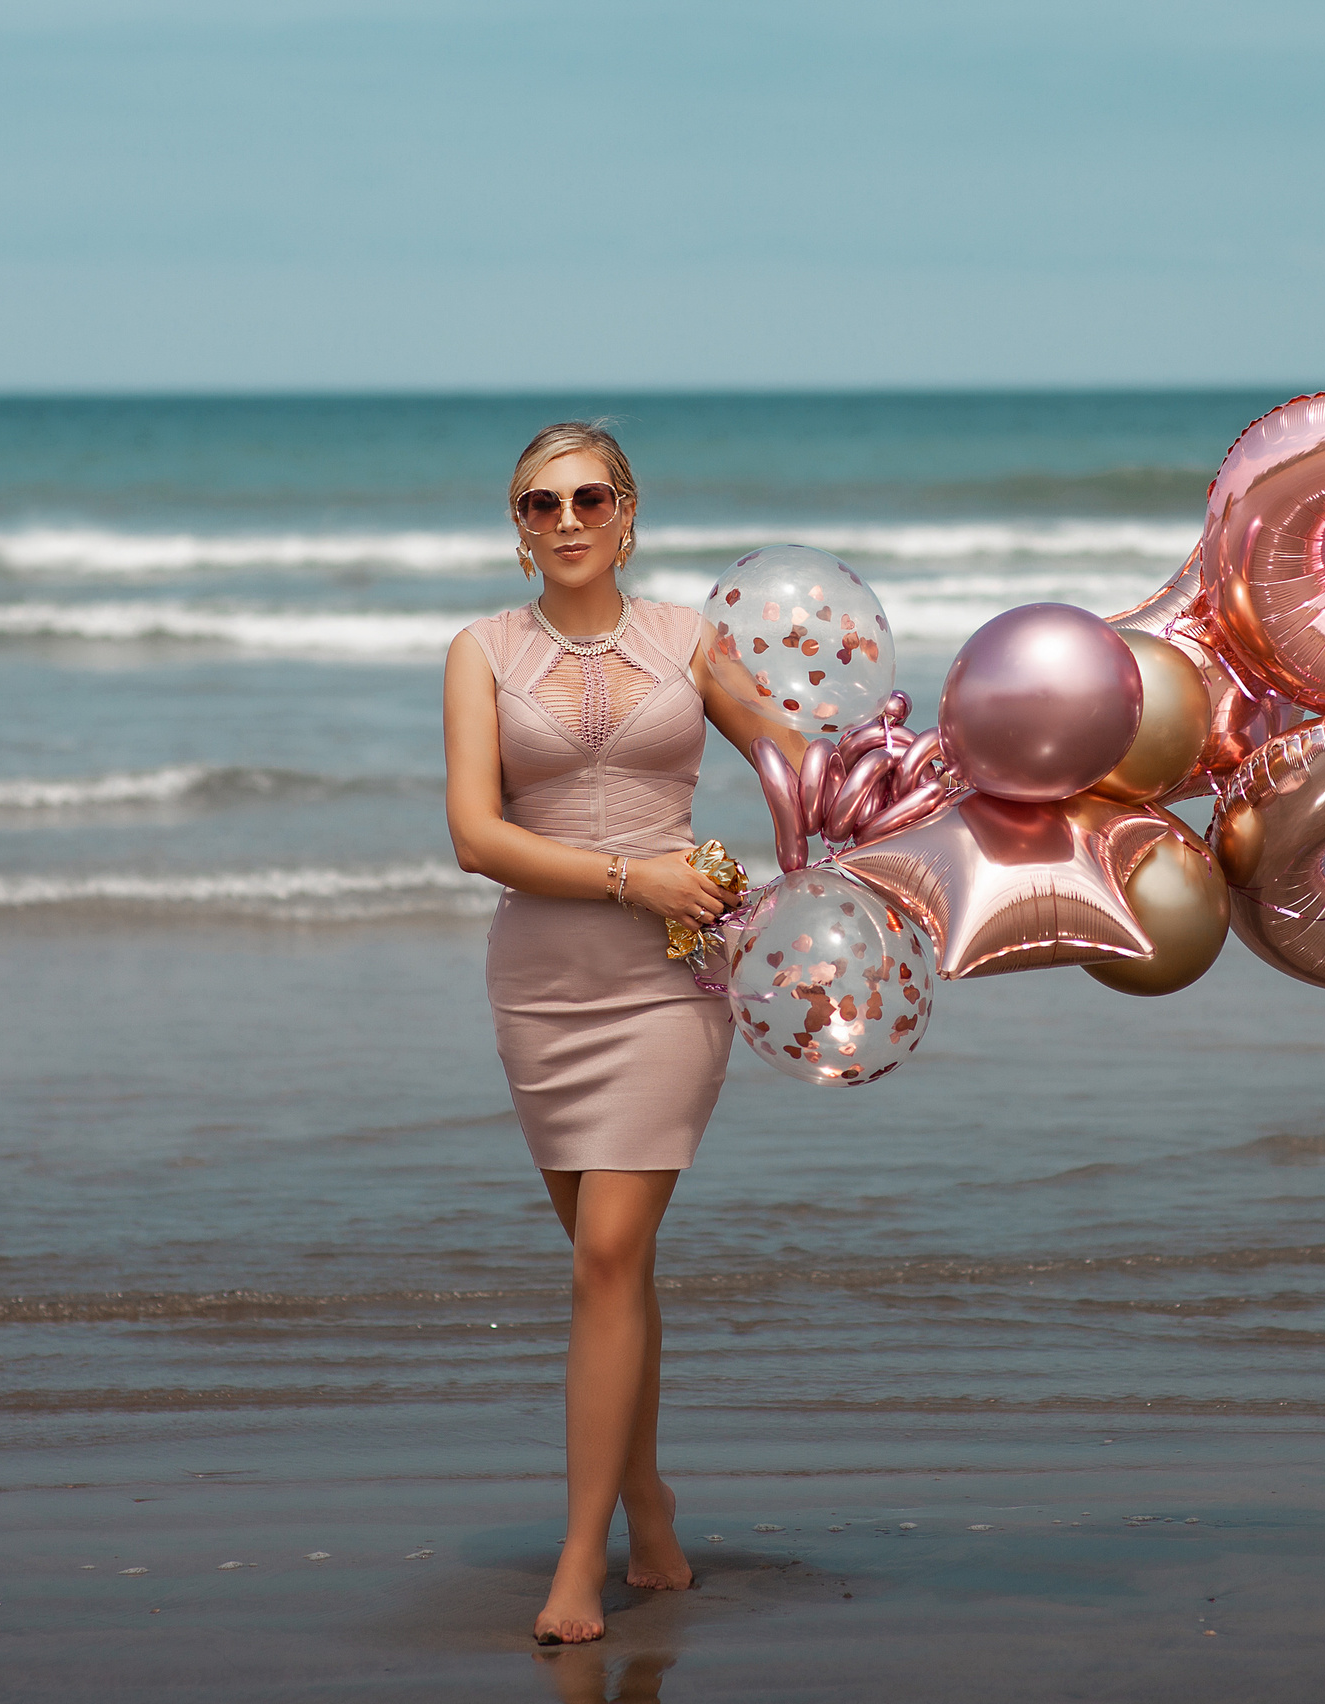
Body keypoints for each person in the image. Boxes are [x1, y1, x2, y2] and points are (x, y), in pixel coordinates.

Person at [442, 421, 801, 1646]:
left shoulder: (692, 644)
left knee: (605, 1258)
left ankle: (577, 1562)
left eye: (589, 497)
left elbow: (790, 760)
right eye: (539, 506)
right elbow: (476, 838)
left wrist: (847, 789)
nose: (567, 521)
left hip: (672, 977)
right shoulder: (477, 652)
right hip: (542, 985)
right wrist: (622, 877)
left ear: (631, 512)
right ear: (519, 530)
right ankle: (648, 1500)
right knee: (613, 1271)